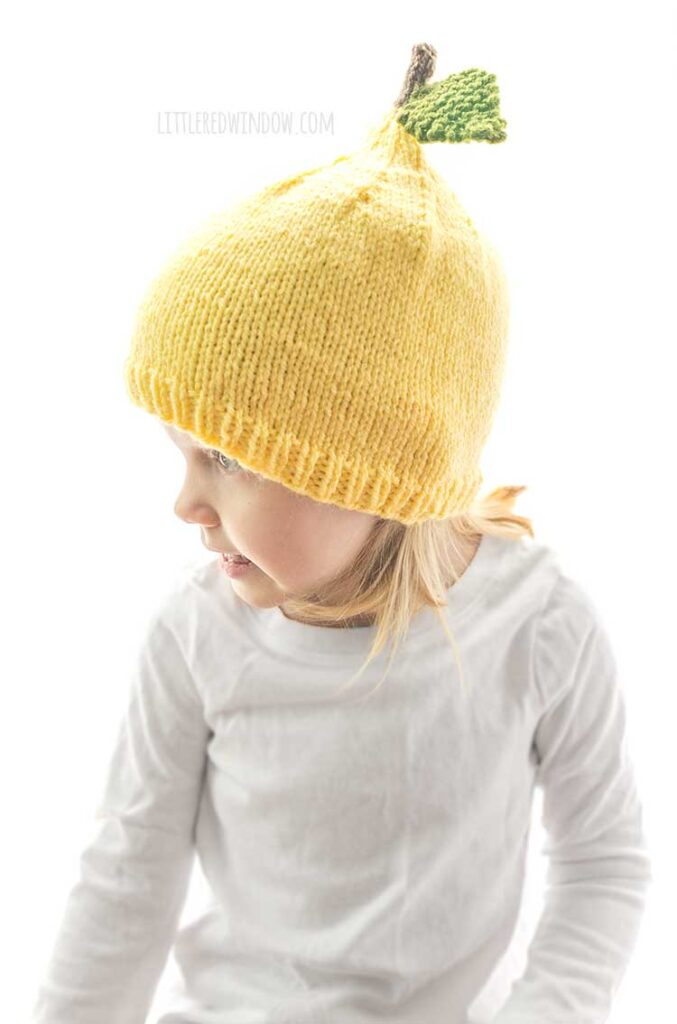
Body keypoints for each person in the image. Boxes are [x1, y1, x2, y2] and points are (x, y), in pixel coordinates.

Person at [31, 43, 652, 1024]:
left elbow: (601, 859)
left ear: (373, 472)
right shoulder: (196, 636)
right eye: (184, 456)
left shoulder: (536, 624)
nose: (185, 505)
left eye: (229, 459)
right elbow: (124, 879)